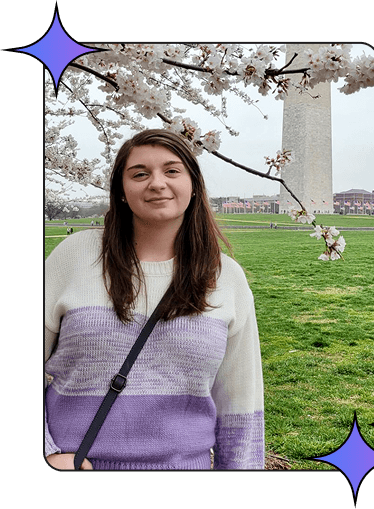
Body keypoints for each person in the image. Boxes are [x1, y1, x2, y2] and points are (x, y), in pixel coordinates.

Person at [45, 129, 265, 471]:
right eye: (140, 174)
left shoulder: (226, 277)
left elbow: (241, 401)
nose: (157, 183)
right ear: (121, 190)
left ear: (193, 185)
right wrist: (44, 452)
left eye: (172, 170)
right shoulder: (73, 257)